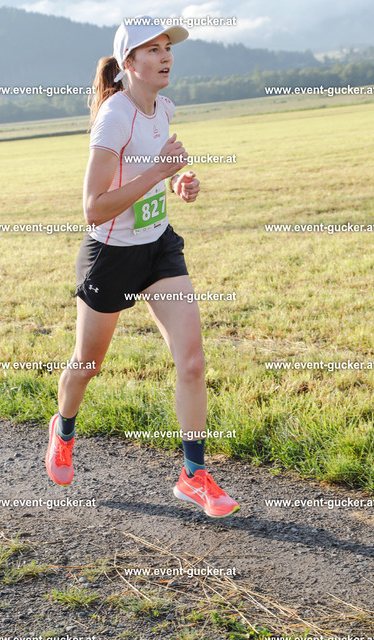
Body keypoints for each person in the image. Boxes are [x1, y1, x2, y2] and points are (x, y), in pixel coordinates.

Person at [45, 16, 240, 518]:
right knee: (88, 365)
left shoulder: (163, 108)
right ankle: (63, 429)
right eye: (152, 50)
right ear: (129, 62)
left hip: (158, 249)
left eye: (168, 48)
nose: (166, 56)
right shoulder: (114, 118)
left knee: (191, 361)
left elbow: (157, 171)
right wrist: (159, 171)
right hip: (111, 256)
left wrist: (179, 182)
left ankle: (193, 475)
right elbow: (93, 208)